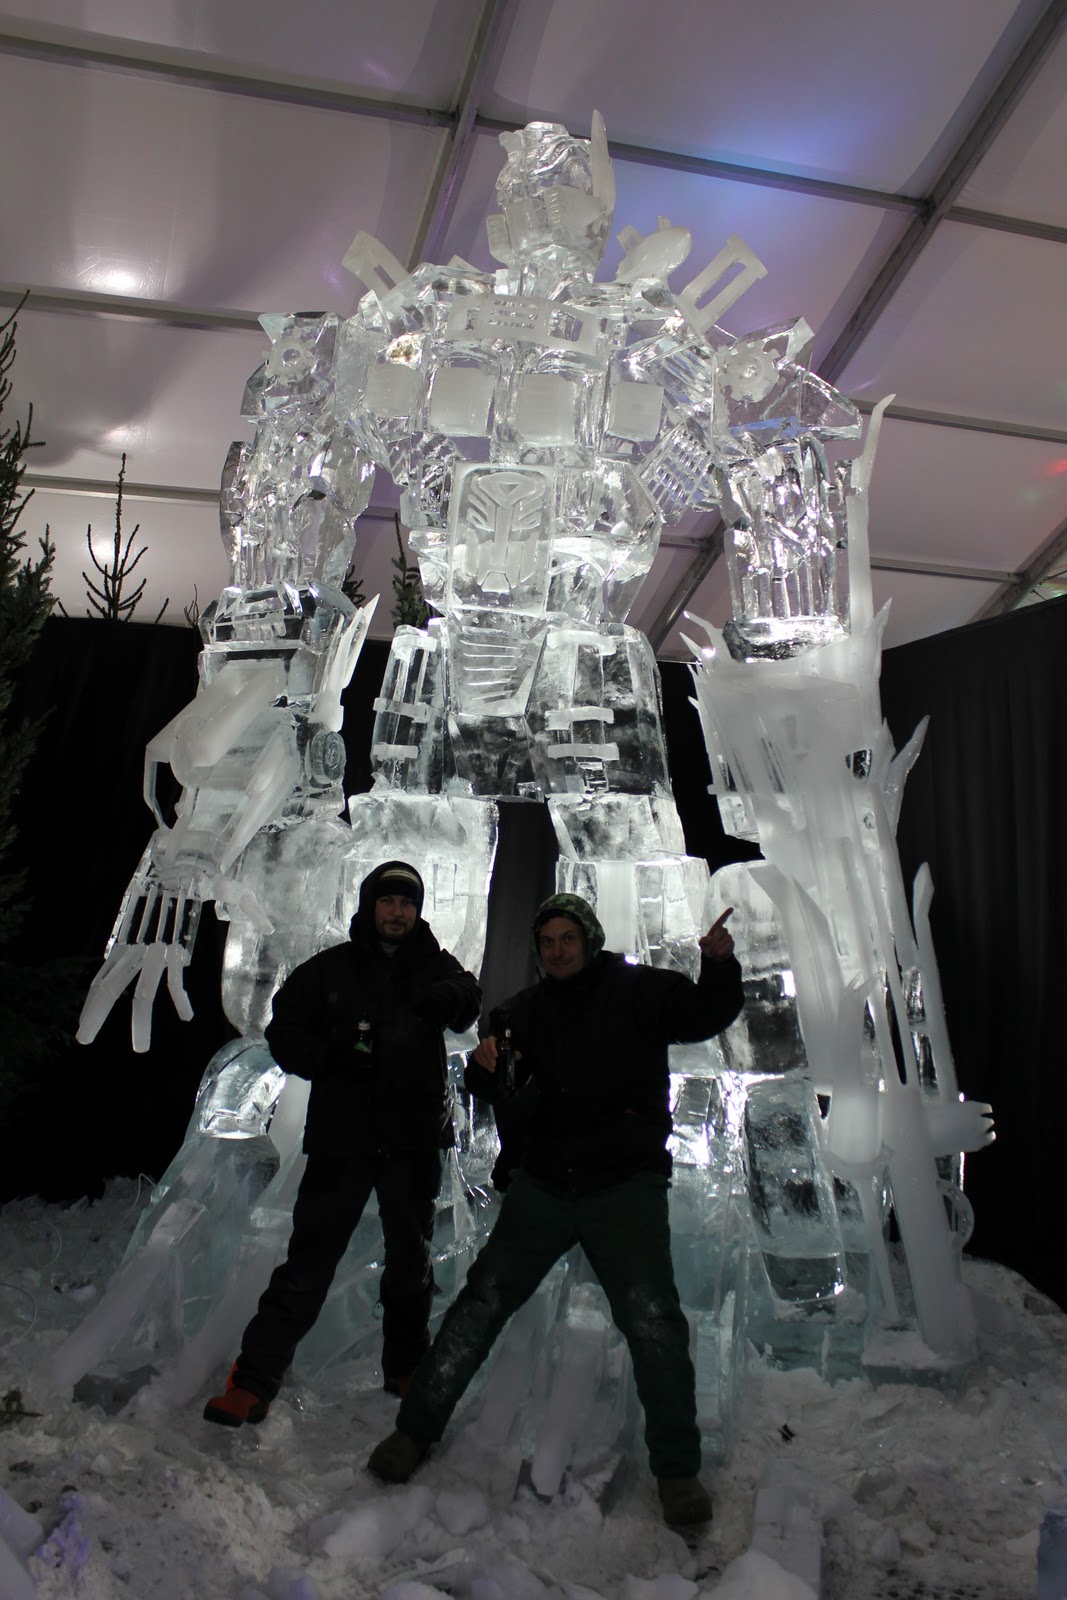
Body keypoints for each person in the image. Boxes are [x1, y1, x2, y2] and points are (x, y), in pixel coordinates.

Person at [367, 892, 742, 1527]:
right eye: (547, 942)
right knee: (480, 1304)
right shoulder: (521, 1012)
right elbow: (497, 1084)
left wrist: (720, 965)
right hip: (544, 1184)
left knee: (653, 1319)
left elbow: (707, 1013)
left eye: (568, 938)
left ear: (590, 939)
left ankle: (678, 1471)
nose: (558, 951)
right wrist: (484, 1067)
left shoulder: (641, 991)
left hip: (624, 1185)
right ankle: (414, 1430)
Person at [203, 860, 482, 1426]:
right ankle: (253, 1381)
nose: (397, 912)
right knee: (307, 1264)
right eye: (388, 901)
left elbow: (468, 996)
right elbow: (284, 1028)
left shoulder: (433, 964)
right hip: (343, 1140)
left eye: (407, 903)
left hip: (411, 1141)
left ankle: (406, 1369)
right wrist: (328, 1058)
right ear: (370, 905)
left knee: (411, 1264)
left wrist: (444, 999)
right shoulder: (331, 969)